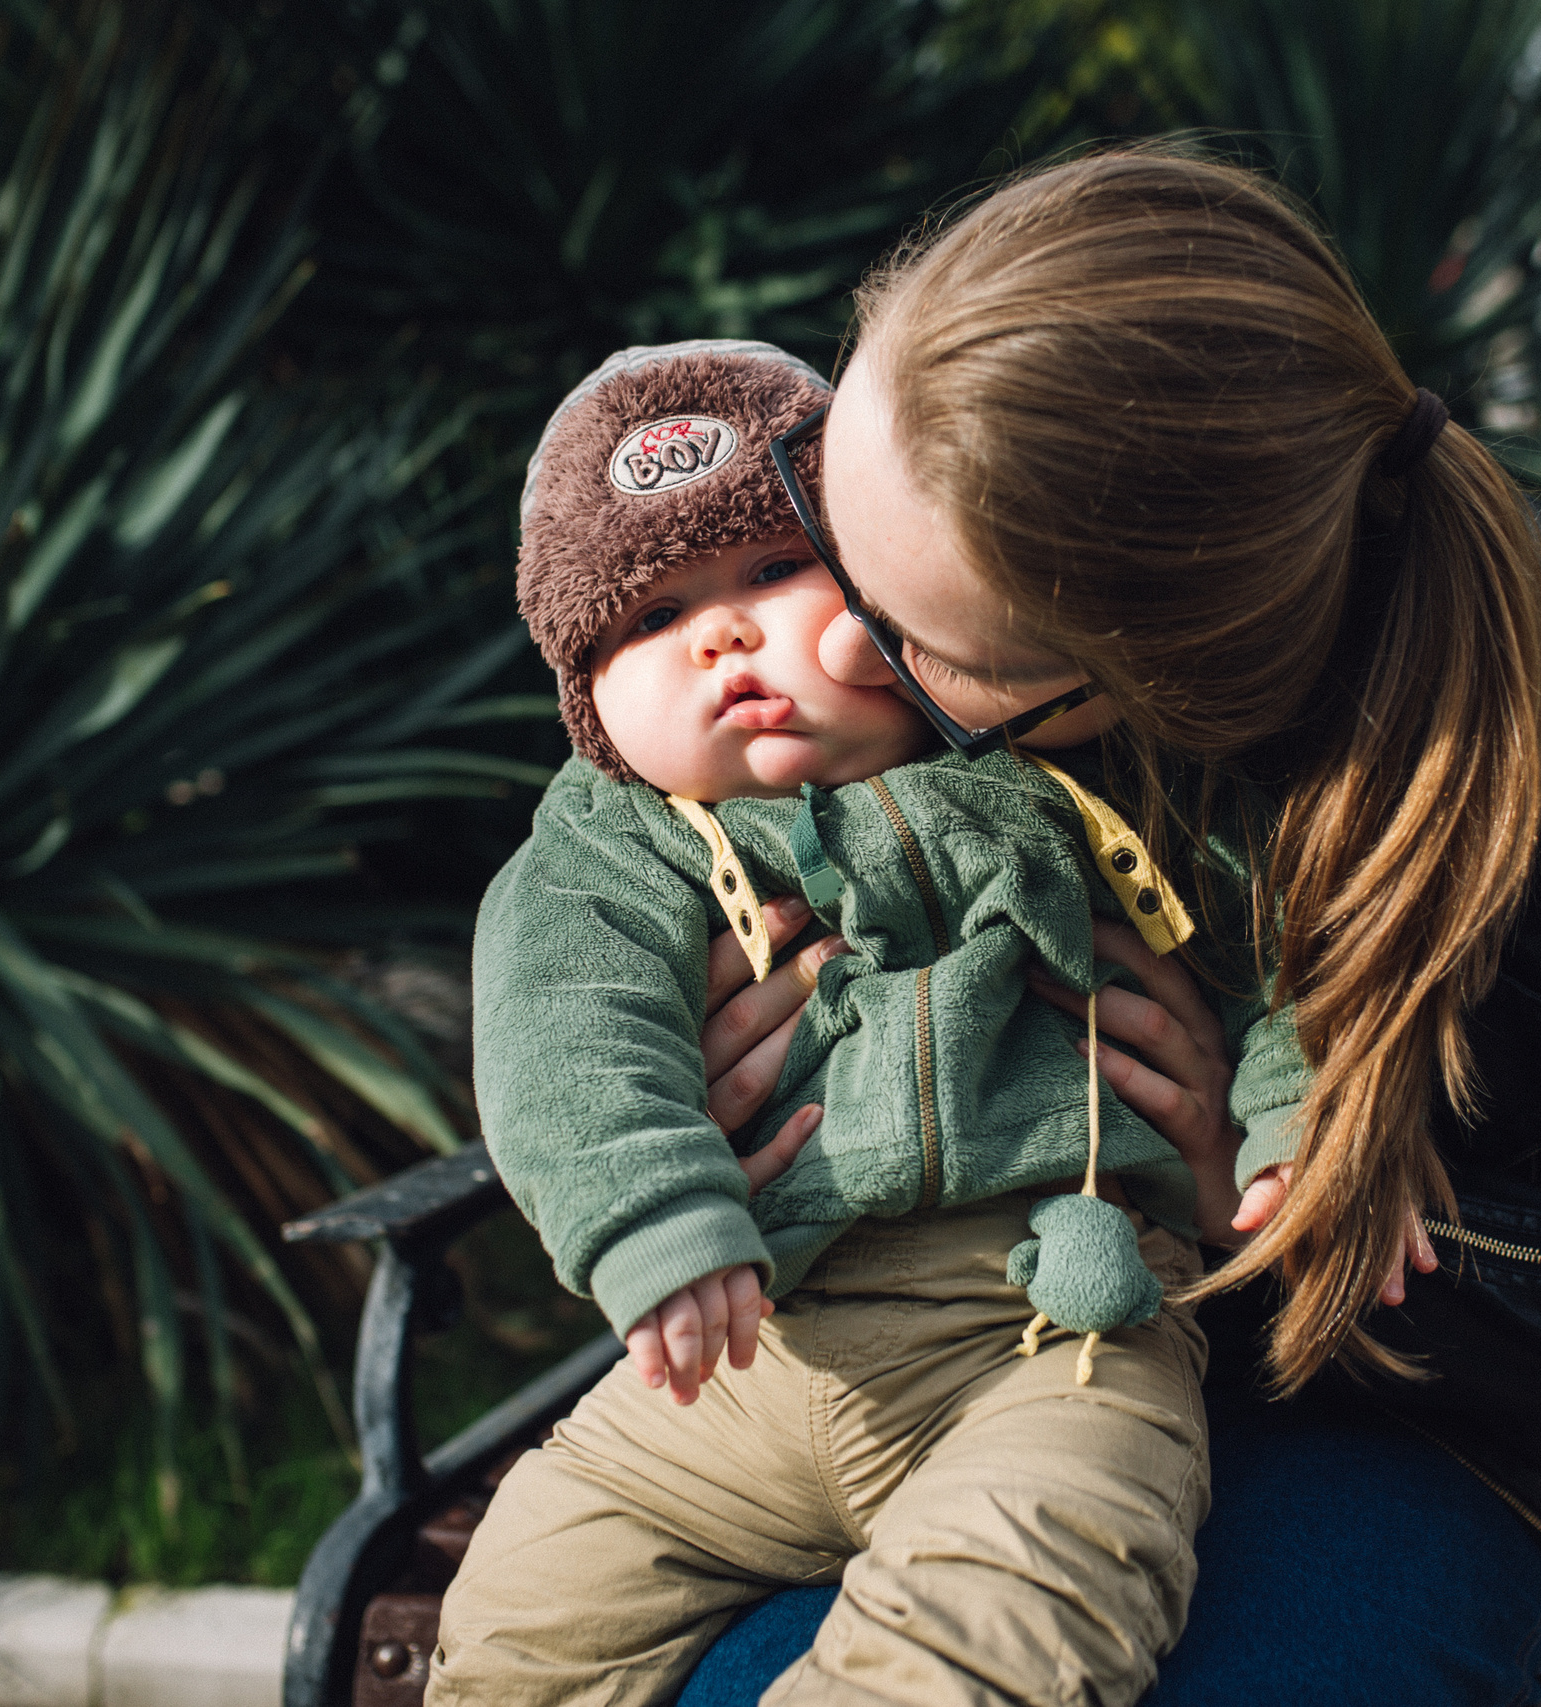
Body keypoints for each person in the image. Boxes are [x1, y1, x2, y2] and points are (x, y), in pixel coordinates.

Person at [672, 150, 1541, 1704]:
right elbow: (600, 958)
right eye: (820, 529)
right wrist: (692, 1129)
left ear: (1169, 679)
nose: (841, 656)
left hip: (1377, 1422)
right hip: (937, 1361)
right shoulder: (913, 571)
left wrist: (1283, 1204)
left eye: (934, 652)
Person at [431, 339, 1341, 1706]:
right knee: (524, 1611)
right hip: (731, 1369)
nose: (720, 635)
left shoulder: (1060, 764)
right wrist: (653, 1219)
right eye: (647, 617)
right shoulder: (613, 851)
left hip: (1041, 1334)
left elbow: (1275, 957)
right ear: (590, 705)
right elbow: (566, 1035)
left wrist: (1295, 1131)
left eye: (768, 571)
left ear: (891, 577)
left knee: (1031, 1588)